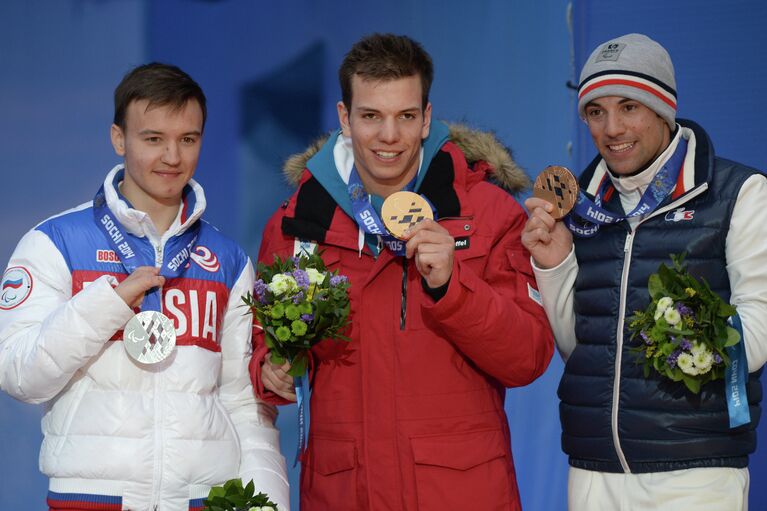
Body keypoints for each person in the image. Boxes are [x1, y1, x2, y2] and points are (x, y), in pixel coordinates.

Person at [250, 33, 554, 510]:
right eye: (371, 116)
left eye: (406, 117)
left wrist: (455, 287)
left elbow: (528, 357)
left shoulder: (487, 213)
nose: (389, 136)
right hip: (344, 493)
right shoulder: (296, 223)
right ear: (344, 119)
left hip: (460, 494)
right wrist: (269, 371)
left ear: (427, 118)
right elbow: (261, 346)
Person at [0, 63, 288, 511]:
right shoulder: (55, 242)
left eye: (187, 139)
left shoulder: (228, 261)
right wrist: (109, 304)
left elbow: (242, 402)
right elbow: (18, 375)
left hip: (201, 499)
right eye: (153, 139)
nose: (172, 157)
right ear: (119, 139)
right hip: (92, 498)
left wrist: (264, 503)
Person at [523, 33, 766, 510]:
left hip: (695, 469)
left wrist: (678, 334)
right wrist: (553, 266)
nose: (612, 128)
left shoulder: (740, 194)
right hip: (594, 471)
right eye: (596, 112)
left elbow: (757, 335)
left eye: (629, 107)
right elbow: (580, 347)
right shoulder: (582, 208)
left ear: (663, 110)